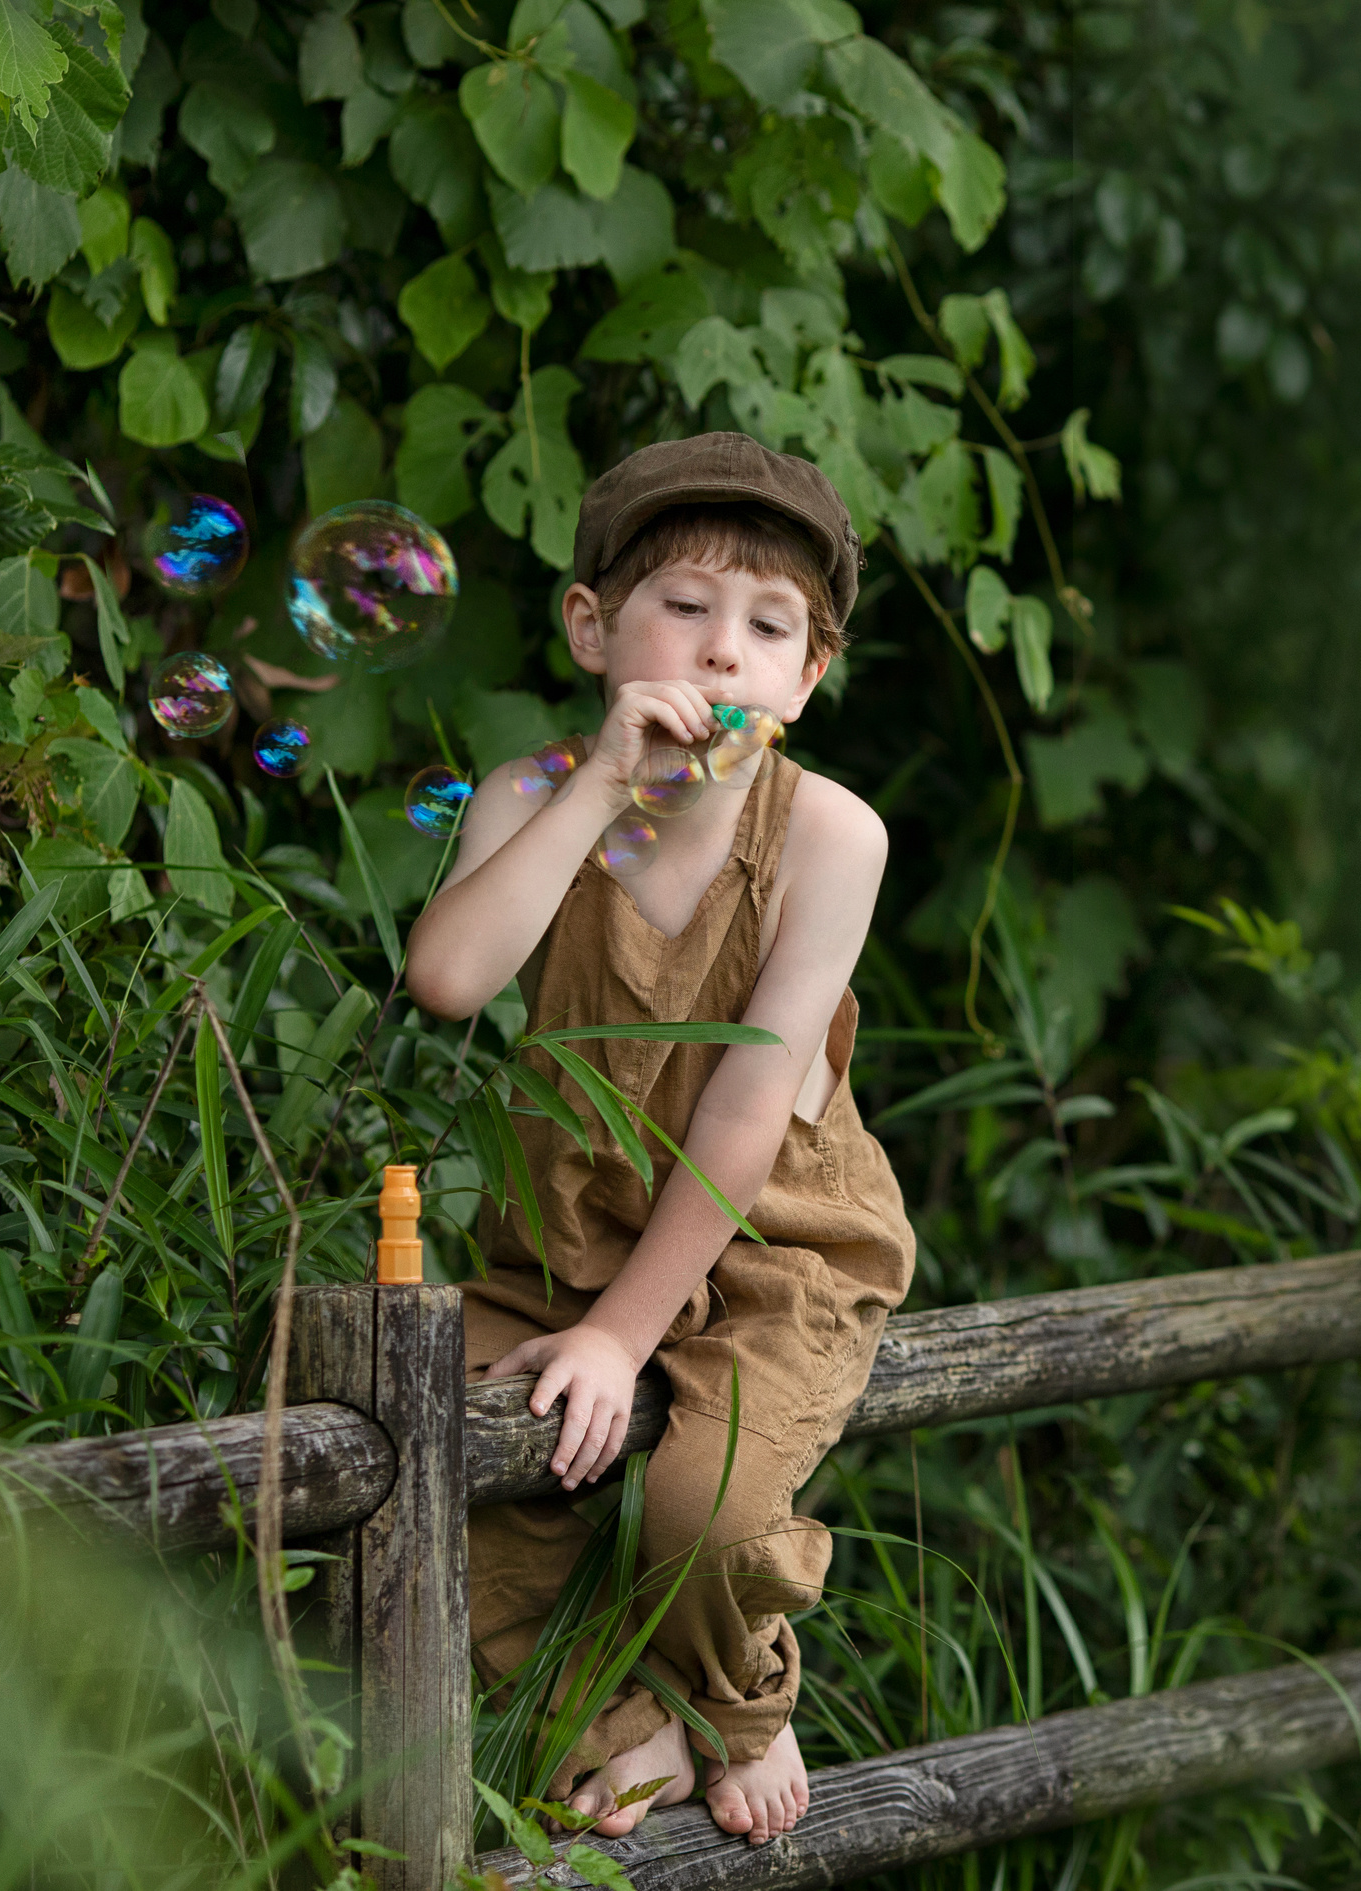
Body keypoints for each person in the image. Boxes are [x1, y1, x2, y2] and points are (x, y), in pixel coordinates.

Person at [402, 433, 913, 1847]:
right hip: (568, 1234)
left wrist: (625, 1340)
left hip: (772, 1246)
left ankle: (739, 1701)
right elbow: (447, 979)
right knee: (434, 1461)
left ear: (808, 678)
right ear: (593, 628)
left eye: (770, 627)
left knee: (701, 1505)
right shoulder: (532, 799)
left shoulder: (830, 838)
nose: (723, 648)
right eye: (685, 606)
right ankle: (632, 1724)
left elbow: (747, 1114)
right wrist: (597, 785)